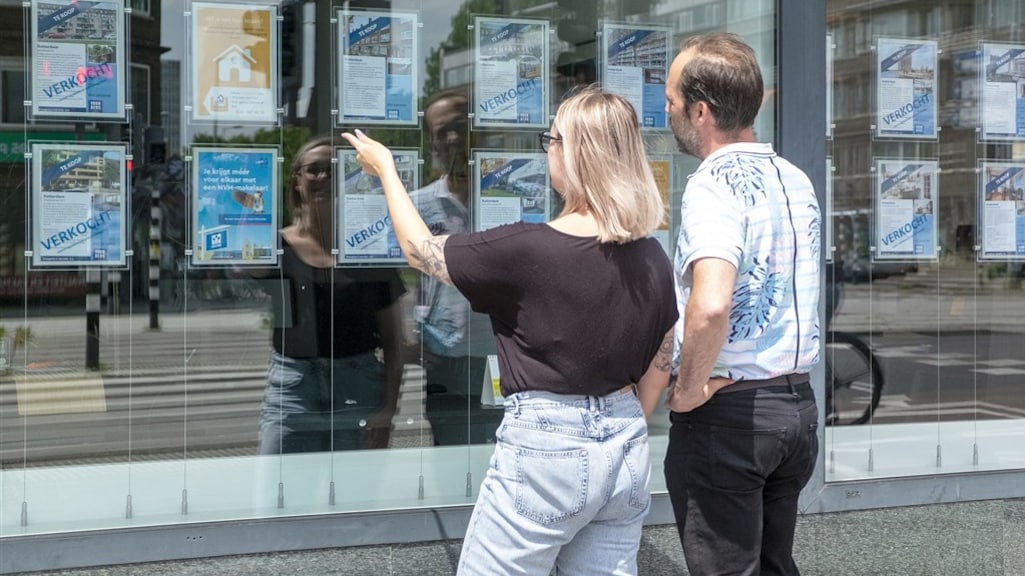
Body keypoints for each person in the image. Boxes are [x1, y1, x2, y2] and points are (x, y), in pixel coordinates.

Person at [343, 87, 677, 575]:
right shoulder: (651, 255)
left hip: (547, 450)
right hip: (625, 450)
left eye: (552, 139)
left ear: (574, 153)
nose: (547, 150)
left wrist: (388, 170)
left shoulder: (528, 249)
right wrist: (613, 422)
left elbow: (420, 251)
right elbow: (659, 363)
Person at [662, 33, 821, 576]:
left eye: (672, 102)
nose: (667, 112)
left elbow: (709, 305)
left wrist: (686, 392)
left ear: (701, 111)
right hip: (796, 408)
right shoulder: (796, 179)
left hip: (731, 417)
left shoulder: (712, 186)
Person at [256, 136, 405, 454]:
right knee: (277, 498)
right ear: (297, 181)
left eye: (333, 170)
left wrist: (387, 411)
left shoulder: (369, 248)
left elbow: (394, 341)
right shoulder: (272, 248)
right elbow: (230, 282)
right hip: (293, 387)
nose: (322, 177)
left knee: (354, 499)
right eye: (313, 170)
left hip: (359, 385)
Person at [410, 89, 500, 445]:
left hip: (501, 352)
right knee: (449, 455)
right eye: (442, 131)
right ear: (432, 142)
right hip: (443, 355)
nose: (453, 138)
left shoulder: (506, 196)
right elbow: (407, 279)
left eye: (460, 126)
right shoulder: (418, 205)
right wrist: (415, 337)